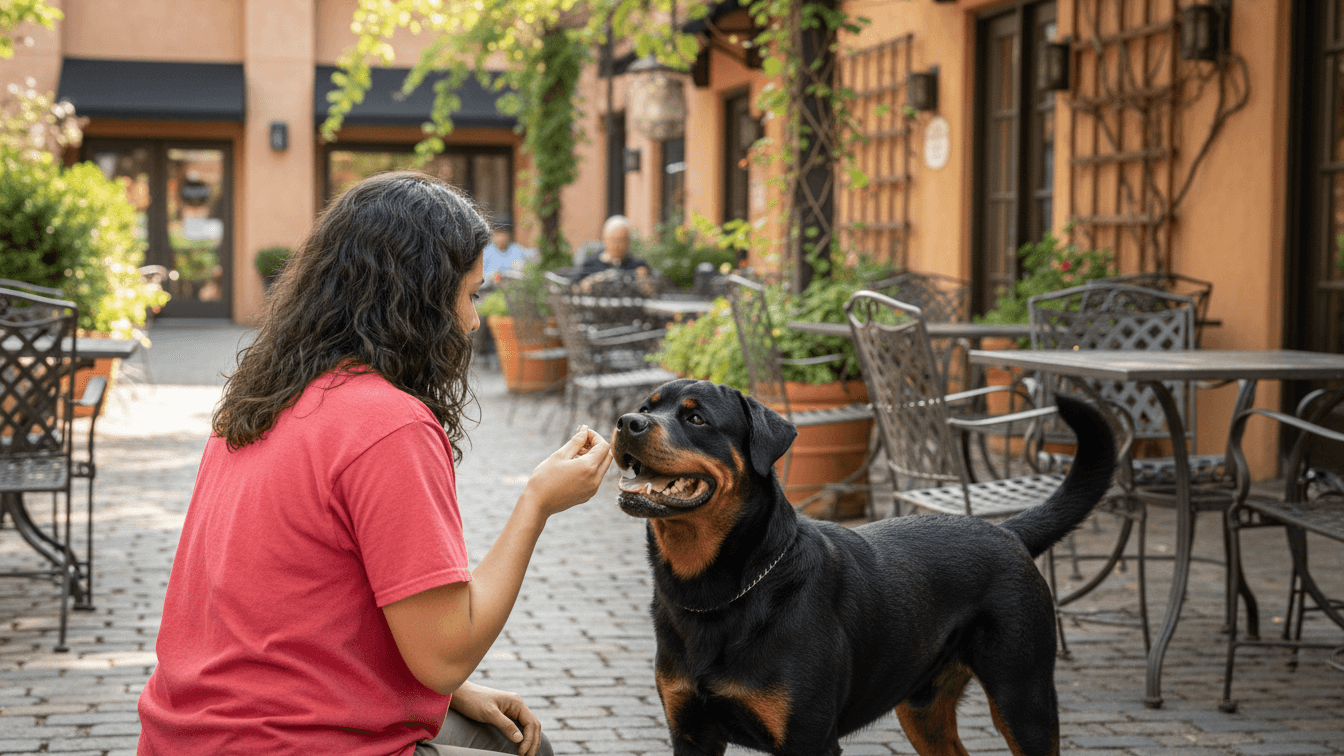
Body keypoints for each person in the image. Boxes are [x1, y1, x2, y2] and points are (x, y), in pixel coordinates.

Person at [136, 172, 614, 756]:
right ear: (418, 299)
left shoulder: (261, 398)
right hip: (288, 742)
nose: (471, 323)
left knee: (499, 734)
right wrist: (536, 501)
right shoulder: (388, 424)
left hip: (188, 734)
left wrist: (454, 692)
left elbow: (298, 609)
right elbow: (443, 654)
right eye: (470, 296)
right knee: (530, 750)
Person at [574, 215, 649, 280]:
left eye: (622, 240)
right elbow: (572, 290)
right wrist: (589, 282)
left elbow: (654, 292)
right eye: (614, 240)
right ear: (604, 239)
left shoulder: (638, 266)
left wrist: (644, 281)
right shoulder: (590, 265)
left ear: (628, 241)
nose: (617, 245)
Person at [481, 218, 533, 283]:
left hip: (515, 289)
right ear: (493, 235)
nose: (501, 238)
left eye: (504, 234)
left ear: (509, 235)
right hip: (491, 290)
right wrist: (493, 276)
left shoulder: (516, 249)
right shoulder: (486, 252)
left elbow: (533, 255)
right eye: (498, 234)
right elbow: (479, 279)